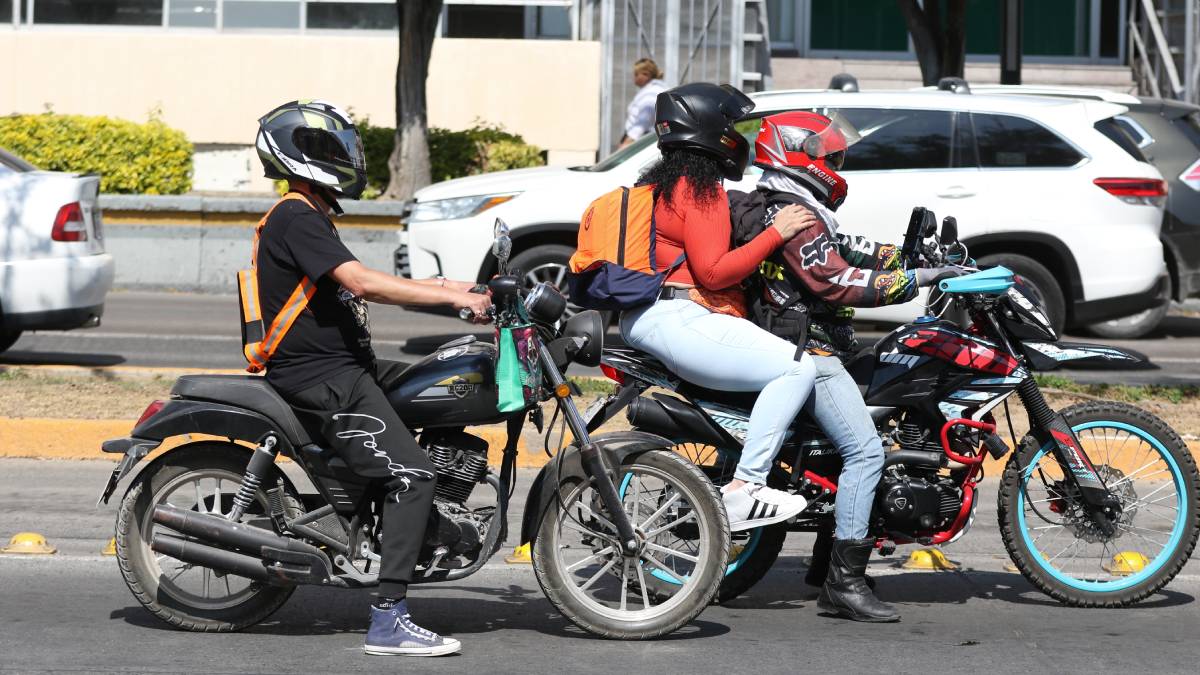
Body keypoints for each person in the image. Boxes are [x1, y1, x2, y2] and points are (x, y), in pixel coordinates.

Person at [253, 100, 491, 656]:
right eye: (334, 151)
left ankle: (388, 518)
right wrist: (453, 297)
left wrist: (465, 289)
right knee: (413, 475)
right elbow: (363, 283)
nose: (347, 160)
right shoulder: (295, 215)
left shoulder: (310, 215)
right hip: (321, 376)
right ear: (302, 155)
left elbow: (367, 283)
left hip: (346, 368)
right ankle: (388, 617)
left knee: (438, 381)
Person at [728, 110, 966, 622]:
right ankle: (845, 583)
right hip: (807, 350)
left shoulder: (793, 204)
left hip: (805, 342)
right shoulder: (794, 213)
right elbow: (835, 282)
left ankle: (822, 563)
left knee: (856, 438)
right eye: (829, 155)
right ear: (798, 154)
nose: (836, 162)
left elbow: (848, 249)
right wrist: (922, 280)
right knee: (864, 452)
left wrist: (911, 257)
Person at [620, 82, 820, 532]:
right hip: (678, 317)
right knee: (796, 369)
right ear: (711, 130)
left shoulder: (661, 181)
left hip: (651, 316)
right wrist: (778, 233)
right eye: (732, 125)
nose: (738, 135)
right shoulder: (701, 190)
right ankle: (745, 487)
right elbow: (713, 273)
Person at [619, 58, 668, 147]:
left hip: (639, 141)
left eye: (636, 74)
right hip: (643, 139)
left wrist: (627, 143)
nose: (634, 77)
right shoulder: (654, 90)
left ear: (646, 75)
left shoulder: (651, 93)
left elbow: (643, 121)